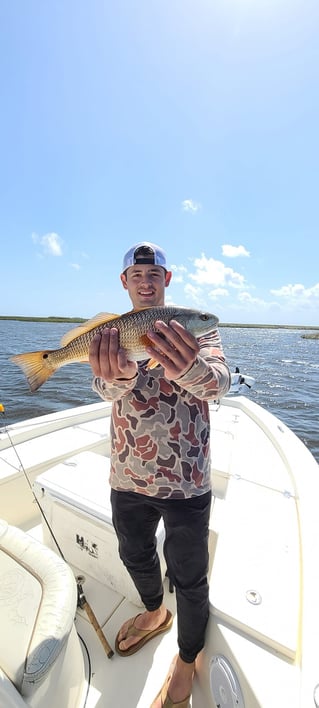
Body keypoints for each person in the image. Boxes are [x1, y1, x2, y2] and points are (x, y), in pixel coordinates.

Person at [89, 242, 231, 708]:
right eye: (136, 275)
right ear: (125, 283)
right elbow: (103, 388)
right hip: (126, 475)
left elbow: (219, 382)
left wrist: (187, 365)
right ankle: (154, 613)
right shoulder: (112, 331)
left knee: (190, 576)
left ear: (166, 281)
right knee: (134, 553)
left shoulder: (198, 332)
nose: (146, 281)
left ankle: (186, 659)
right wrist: (120, 374)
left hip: (186, 480)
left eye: (155, 275)